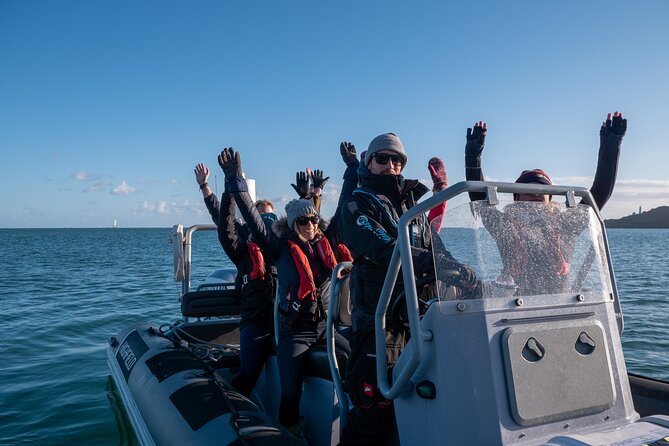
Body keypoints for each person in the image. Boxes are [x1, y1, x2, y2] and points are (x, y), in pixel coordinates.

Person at [340, 133, 476, 445]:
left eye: (397, 160)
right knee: (370, 415)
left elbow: (438, 251)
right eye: (383, 158)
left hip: (422, 322)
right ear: (370, 162)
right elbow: (386, 248)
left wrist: (468, 277)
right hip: (381, 325)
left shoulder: (412, 210)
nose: (391, 165)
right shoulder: (357, 204)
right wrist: (429, 262)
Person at [218, 147, 351, 435]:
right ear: (292, 224)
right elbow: (251, 217)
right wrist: (235, 179)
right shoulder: (279, 249)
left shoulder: (324, 242)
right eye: (303, 221)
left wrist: (352, 169)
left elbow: (342, 209)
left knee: (355, 361)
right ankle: (290, 431)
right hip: (296, 331)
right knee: (290, 393)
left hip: (325, 326)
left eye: (314, 220)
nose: (311, 226)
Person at [464, 112, 627, 294]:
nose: (535, 193)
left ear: (550, 198)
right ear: (516, 198)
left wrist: (612, 143)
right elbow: (479, 198)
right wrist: (473, 157)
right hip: (513, 306)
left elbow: (598, 194)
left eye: (542, 189)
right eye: (528, 189)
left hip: (558, 308)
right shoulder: (504, 225)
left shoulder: (566, 224)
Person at [194, 162, 277, 397]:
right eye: (260, 216)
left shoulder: (282, 248)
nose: (265, 221)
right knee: (248, 373)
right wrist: (205, 187)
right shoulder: (242, 252)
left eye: (270, 217)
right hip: (256, 319)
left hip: (284, 319)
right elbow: (223, 221)